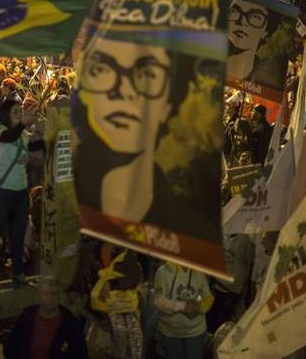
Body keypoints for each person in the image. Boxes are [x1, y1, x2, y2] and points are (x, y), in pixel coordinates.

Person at [73, 33, 218, 240]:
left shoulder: (187, 228)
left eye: (148, 74)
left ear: (169, 105)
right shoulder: (66, 190)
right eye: (103, 69)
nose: (124, 90)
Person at [0, 99, 43, 293]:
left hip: (21, 190)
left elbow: (33, 147)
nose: (19, 115)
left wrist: (45, 134)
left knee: (18, 234)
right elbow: (9, 137)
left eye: (20, 112)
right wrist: (25, 123)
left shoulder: (21, 134)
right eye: (15, 112)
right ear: (5, 115)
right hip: (3, 190)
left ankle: (18, 274)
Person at [3, 276, 88, 359]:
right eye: (45, 293)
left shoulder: (70, 324)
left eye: (53, 294)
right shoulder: (27, 317)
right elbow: (10, 347)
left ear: (59, 296)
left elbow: (80, 353)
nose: (49, 298)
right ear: (38, 295)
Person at [153, 262, 214, 359]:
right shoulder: (163, 272)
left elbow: (208, 297)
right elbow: (158, 301)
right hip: (170, 332)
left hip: (196, 331)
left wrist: (200, 306)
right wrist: (183, 306)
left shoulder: (198, 271)